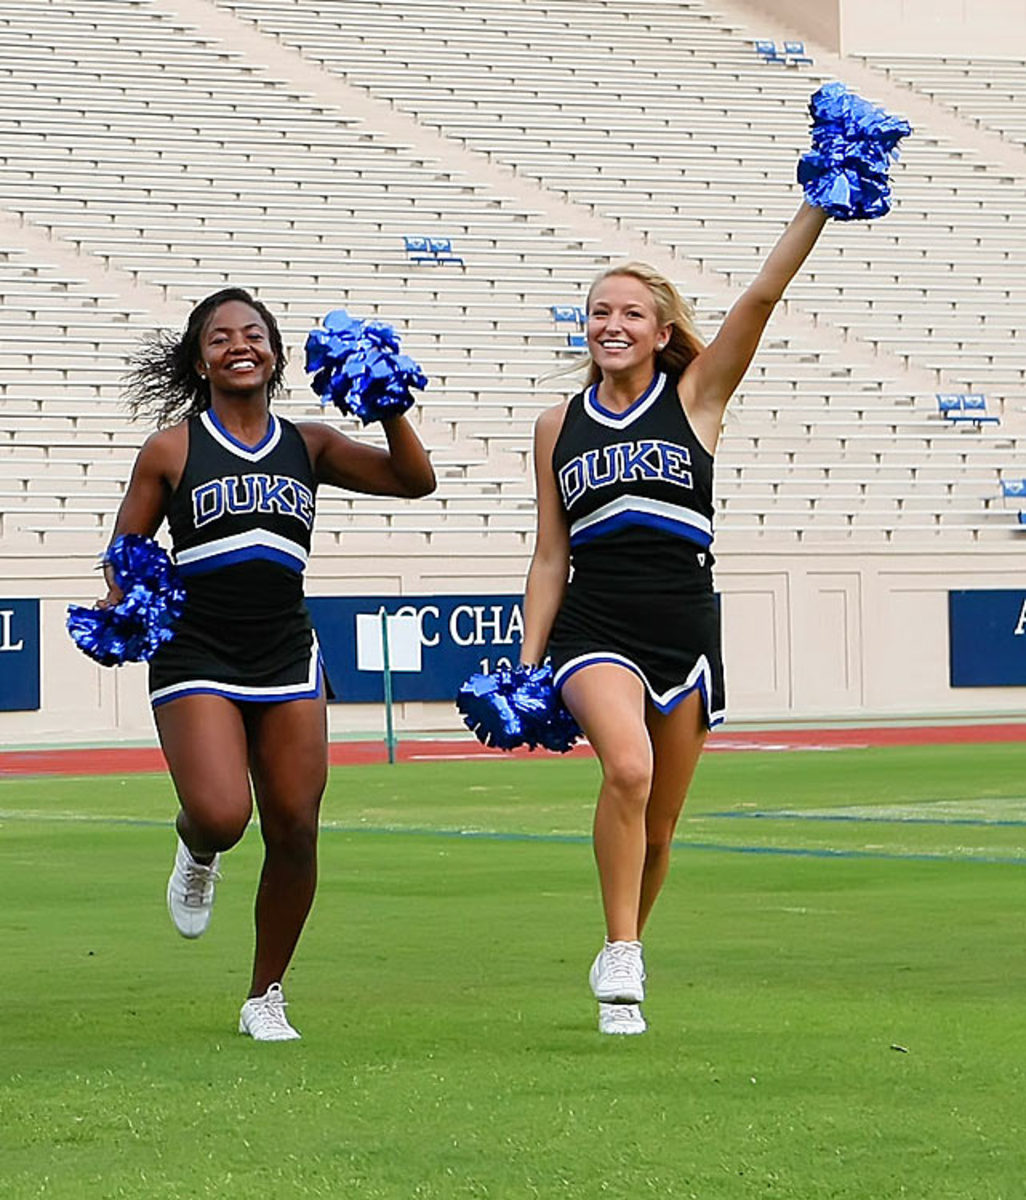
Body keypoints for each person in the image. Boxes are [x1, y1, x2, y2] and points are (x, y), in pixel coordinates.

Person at [520, 202, 828, 1035]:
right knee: (627, 769)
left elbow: (760, 297)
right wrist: (526, 661)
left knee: (657, 832)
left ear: (661, 333)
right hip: (595, 626)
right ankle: (624, 959)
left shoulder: (695, 398)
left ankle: (624, 942)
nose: (610, 324)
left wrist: (820, 203)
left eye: (629, 314)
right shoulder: (558, 425)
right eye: (599, 312)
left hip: (685, 631)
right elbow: (551, 556)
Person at [101, 287, 435, 1040]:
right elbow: (125, 551)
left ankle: (265, 995)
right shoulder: (172, 449)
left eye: (253, 334)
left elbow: (415, 481)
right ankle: (196, 844)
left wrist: (387, 403)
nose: (238, 345)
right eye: (220, 337)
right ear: (200, 360)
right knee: (225, 813)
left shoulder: (308, 444)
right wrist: (126, 602)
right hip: (196, 650)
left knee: (296, 827)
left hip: (285, 651)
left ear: (278, 354)